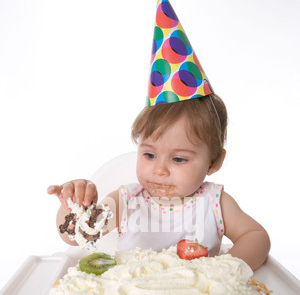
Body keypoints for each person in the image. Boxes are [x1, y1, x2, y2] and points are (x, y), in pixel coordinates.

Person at [47, 94, 270, 271]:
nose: (160, 169)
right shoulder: (126, 201)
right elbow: (76, 236)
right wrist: (75, 204)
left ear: (213, 162)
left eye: (179, 159)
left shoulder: (215, 203)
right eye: (149, 155)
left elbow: (257, 237)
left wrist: (226, 269)